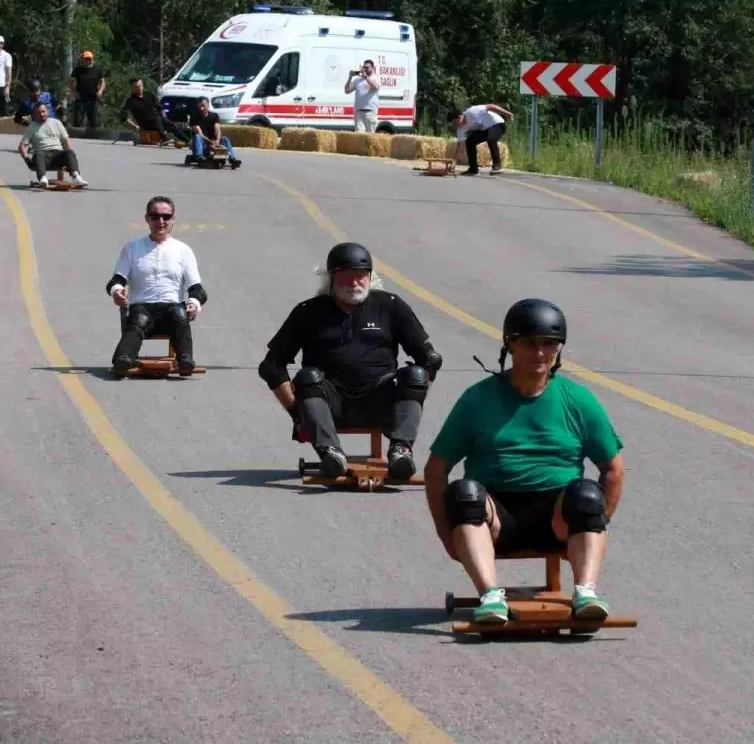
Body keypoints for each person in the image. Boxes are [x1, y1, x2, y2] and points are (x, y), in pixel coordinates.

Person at [421, 299, 625, 623]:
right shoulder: (478, 399)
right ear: (510, 345)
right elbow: (436, 469)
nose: (540, 353)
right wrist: (446, 534)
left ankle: (586, 592)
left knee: (587, 496)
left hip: (558, 518)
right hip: (496, 519)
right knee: (464, 494)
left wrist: (597, 527)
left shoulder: (578, 400)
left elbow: (613, 469)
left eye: (549, 344)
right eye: (530, 343)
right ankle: (490, 597)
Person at [257, 243, 443, 482]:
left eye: (360, 276)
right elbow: (271, 366)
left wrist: (411, 408)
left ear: (370, 277)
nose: (354, 283)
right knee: (308, 377)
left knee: (417, 372)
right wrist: (297, 414)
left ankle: (401, 451)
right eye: (346, 276)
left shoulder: (391, 305)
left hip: (382, 402)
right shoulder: (309, 311)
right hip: (330, 405)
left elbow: (430, 359)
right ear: (331, 278)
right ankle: (331, 453)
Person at [106, 196, 207, 376]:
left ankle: (185, 360)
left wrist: (194, 303)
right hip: (142, 309)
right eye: (155, 216)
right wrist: (117, 292)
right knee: (139, 318)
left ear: (173, 219)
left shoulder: (183, 250)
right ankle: (123, 359)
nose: (161, 221)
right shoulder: (132, 248)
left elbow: (197, 289)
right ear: (147, 219)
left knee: (179, 313)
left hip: (172, 313)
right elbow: (116, 281)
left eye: (166, 217)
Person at [17, 102, 88, 188]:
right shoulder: (32, 127)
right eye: (39, 113)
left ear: (47, 111)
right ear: (35, 114)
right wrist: (27, 160)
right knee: (39, 154)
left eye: (43, 111)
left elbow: (66, 140)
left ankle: (76, 177)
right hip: (43, 157)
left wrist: (68, 159)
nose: (42, 114)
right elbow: (22, 146)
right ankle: (43, 179)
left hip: (57, 155)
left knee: (70, 152)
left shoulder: (56, 123)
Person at [447, 103, 513, 176]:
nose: (454, 125)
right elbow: (461, 146)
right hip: (485, 129)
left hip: (497, 124)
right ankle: (473, 169)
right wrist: (454, 162)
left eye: (454, 122)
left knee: (491, 139)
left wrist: (507, 113)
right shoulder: (460, 129)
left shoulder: (472, 111)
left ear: (459, 117)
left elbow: (490, 106)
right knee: (469, 141)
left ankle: (497, 166)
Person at [123, 77, 188, 145]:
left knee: (170, 124)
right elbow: (127, 119)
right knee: (157, 117)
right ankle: (164, 138)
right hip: (146, 125)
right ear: (132, 88)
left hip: (158, 121)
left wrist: (165, 118)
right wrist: (136, 126)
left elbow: (160, 108)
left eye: (140, 86)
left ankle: (188, 141)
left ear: (143, 85)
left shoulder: (149, 95)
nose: (139, 88)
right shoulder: (130, 101)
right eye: (136, 87)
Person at [186, 97, 242, 168]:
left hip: (213, 144)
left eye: (203, 106)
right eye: (199, 106)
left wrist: (217, 140)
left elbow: (217, 129)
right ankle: (200, 158)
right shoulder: (194, 116)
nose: (201, 108)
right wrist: (210, 142)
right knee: (197, 136)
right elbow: (199, 133)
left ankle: (232, 159)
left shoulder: (214, 116)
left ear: (208, 105)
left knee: (224, 139)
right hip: (202, 145)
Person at [69, 49, 106, 128]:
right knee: (78, 122)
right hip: (80, 98)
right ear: (83, 59)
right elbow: (70, 81)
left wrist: (100, 91)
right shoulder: (78, 69)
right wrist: (73, 92)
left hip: (93, 99)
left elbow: (103, 81)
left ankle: (94, 138)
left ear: (92, 59)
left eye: (89, 59)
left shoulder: (98, 69)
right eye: (86, 59)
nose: (88, 61)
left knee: (94, 122)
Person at [343, 59, 380, 133]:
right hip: (359, 112)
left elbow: (375, 87)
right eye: (364, 67)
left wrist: (365, 77)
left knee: (371, 137)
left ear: (372, 68)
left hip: (370, 112)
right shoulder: (358, 80)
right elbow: (347, 91)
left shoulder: (375, 78)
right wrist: (350, 77)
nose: (365, 69)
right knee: (359, 136)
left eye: (367, 68)